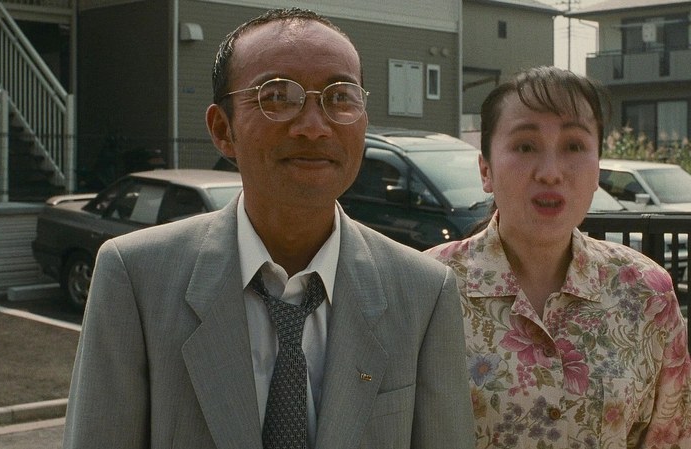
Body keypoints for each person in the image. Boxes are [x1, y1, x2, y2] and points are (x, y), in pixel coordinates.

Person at [62, 7, 474, 449]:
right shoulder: (136, 277)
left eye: (340, 97)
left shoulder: (422, 292)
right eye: (277, 96)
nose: (314, 127)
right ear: (223, 130)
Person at [425, 66, 691, 448]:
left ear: (597, 169)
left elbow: (673, 438)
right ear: (485, 170)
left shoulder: (645, 292)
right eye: (525, 146)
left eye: (573, 146)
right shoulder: (427, 288)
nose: (550, 173)